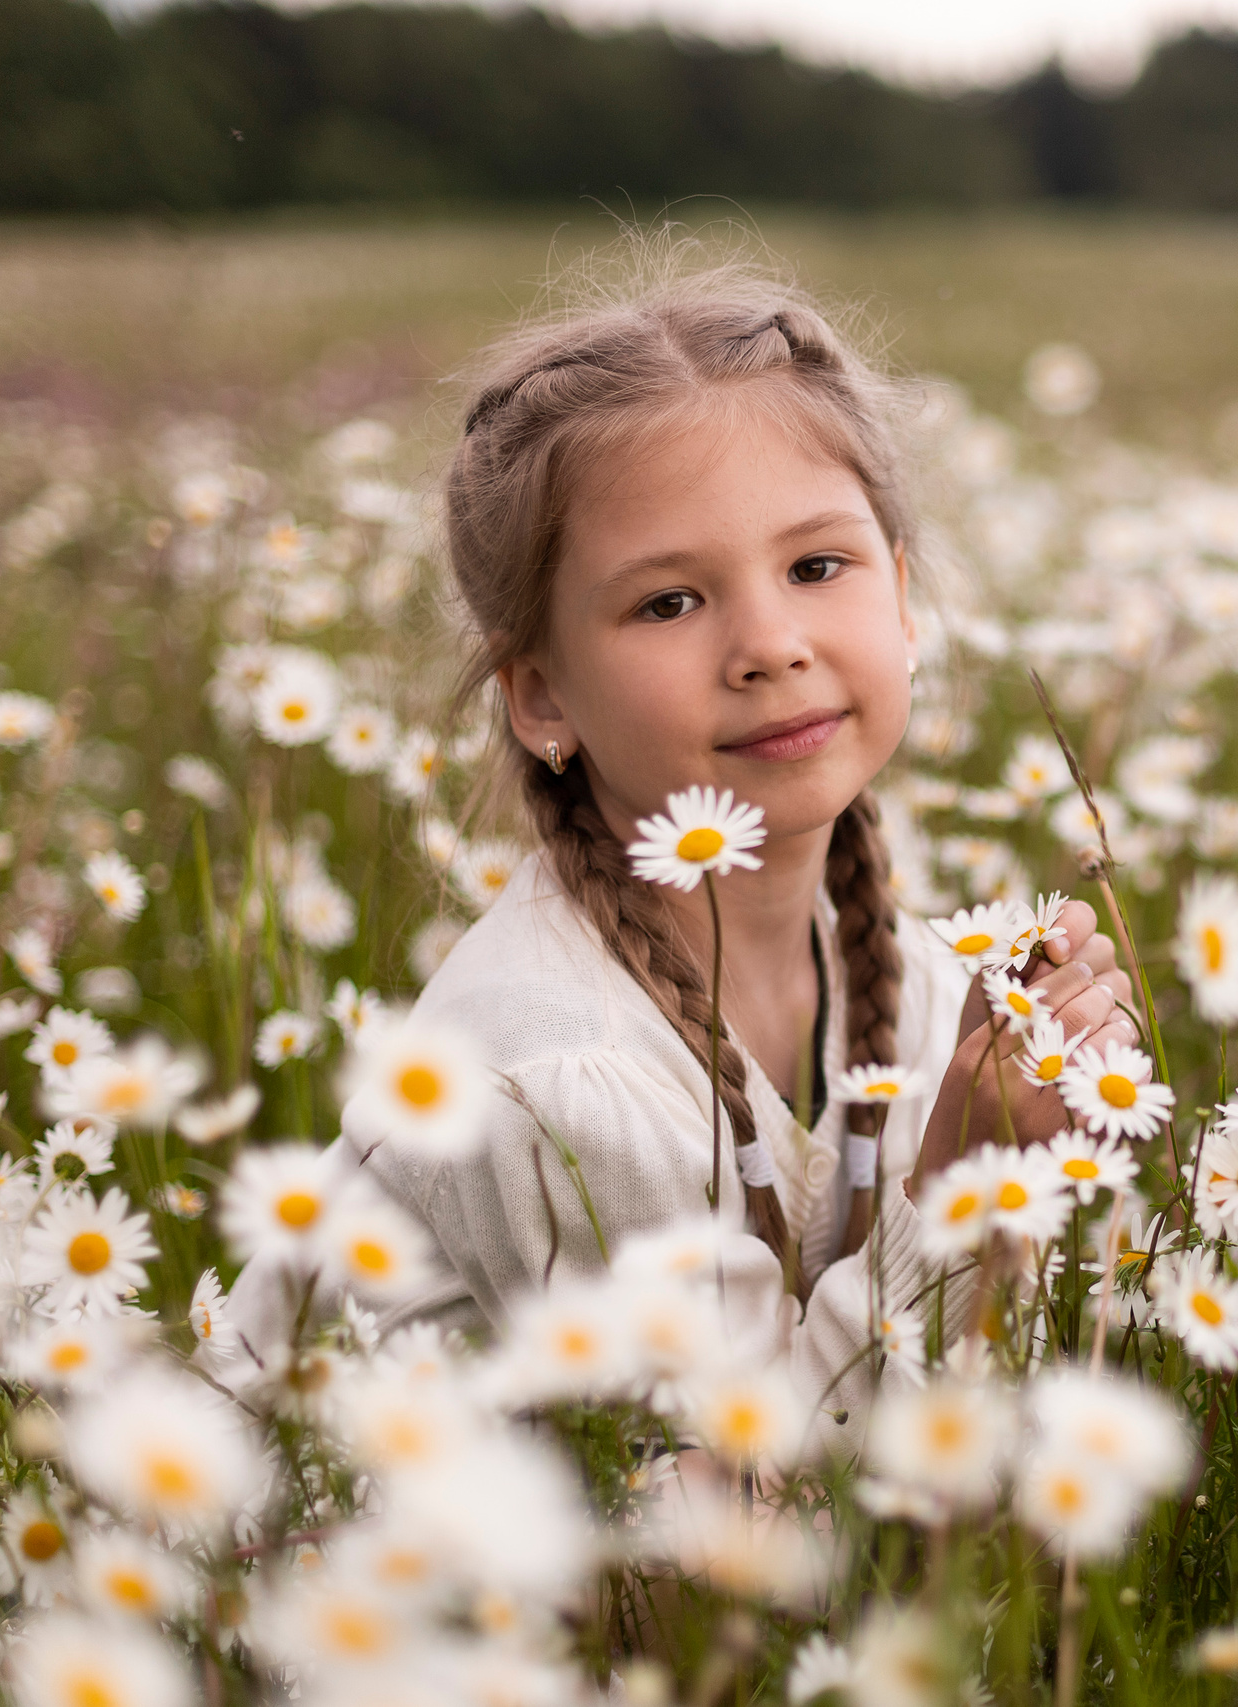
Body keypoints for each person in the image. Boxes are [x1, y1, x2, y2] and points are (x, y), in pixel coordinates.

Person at [225, 258, 1139, 1447]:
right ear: (541, 694)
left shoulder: (916, 985)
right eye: (668, 603)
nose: (768, 643)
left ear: (902, 605)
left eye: (817, 567)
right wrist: (963, 1199)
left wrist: (1030, 1164)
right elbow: (709, 1556)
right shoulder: (557, 1080)